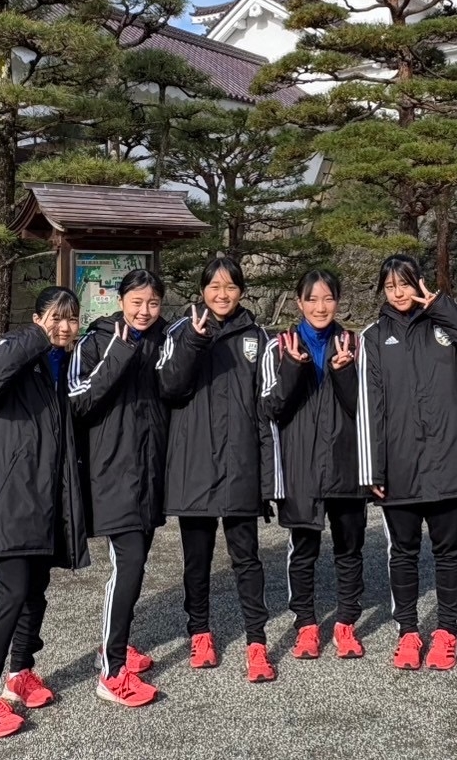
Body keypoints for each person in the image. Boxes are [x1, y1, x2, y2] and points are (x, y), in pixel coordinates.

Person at [0, 287, 90, 738]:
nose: (64, 327)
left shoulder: (63, 368)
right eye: (55, 318)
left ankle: (20, 673)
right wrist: (36, 337)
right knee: (9, 597)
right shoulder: (12, 351)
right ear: (36, 319)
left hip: (43, 501)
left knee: (34, 592)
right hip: (5, 500)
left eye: (71, 319)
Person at [357, 253, 457, 671]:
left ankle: (447, 632)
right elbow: (369, 406)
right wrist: (372, 469)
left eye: (406, 283)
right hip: (398, 464)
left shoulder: (444, 324)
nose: (399, 293)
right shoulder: (374, 336)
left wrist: (441, 307)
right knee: (402, 552)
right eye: (390, 286)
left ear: (420, 283)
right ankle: (408, 632)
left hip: (448, 458)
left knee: (449, 552)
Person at [156, 255, 281, 683]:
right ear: (202, 291)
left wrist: (267, 477)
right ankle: (200, 633)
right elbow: (169, 387)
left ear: (241, 291)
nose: (222, 294)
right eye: (214, 287)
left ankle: (257, 642)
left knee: (247, 558)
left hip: (241, 464)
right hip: (195, 466)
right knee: (197, 560)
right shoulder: (180, 331)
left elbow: (267, 407)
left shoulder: (258, 337)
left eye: (230, 286)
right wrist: (194, 339)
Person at [67, 269, 171, 707]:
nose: (144, 311)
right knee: (127, 565)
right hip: (112, 472)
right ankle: (111, 671)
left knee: (138, 562)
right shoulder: (96, 340)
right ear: (121, 301)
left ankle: (117, 643)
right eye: (136, 302)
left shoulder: (164, 339)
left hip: (151, 471)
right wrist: (121, 348)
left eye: (152, 303)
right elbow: (78, 402)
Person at [261, 267, 367, 661]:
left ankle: (346, 623)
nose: (320, 307)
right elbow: (270, 408)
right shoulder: (280, 346)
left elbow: (365, 410)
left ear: (338, 301)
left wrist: (344, 374)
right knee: (303, 549)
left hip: (346, 462)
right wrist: (293, 367)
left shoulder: (355, 344)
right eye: (312, 299)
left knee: (349, 547)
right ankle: (305, 624)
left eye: (328, 298)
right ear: (299, 302)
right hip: (300, 462)